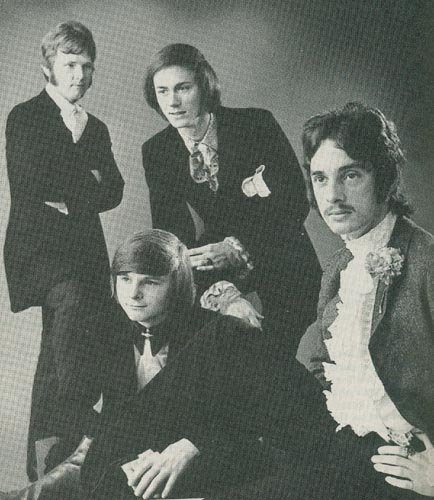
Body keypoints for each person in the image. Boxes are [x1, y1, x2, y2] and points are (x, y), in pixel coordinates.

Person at [4, 21, 124, 480]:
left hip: (85, 254)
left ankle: (46, 468)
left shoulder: (96, 127)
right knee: (70, 324)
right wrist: (86, 181)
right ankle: (79, 429)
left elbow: (114, 189)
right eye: (70, 64)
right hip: (40, 254)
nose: (80, 75)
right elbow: (33, 185)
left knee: (59, 352)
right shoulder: (25, 116)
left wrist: (71, 191)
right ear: (48, 67)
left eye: (87, 66)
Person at [141, 43, 321, 349]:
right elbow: (172, 234)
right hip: (217, 261)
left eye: (183, 88)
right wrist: (223, 293)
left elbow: (294, 203)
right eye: (162, 91)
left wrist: (237, 247)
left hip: (281, 250)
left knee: (291, 351)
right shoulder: (158, 150)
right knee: (210, 345)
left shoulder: (256, 124)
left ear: (205, 86)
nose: (172, 102)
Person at [296, 102, 434, 498]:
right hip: (345, 443)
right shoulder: (340, 266)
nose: (332, 195)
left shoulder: (427, 261)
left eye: (351, 175)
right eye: (320, 178)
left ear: (384, 178)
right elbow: (319, 363)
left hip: (403, 464)